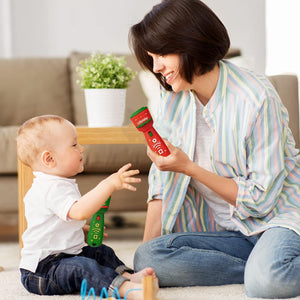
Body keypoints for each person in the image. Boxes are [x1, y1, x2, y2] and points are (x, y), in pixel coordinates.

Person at [129, 0, 300, 298]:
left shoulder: (256, 97)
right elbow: (161, 183)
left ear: (190, 43)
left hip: (279, 218)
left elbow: (261, 199)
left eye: (162, 55)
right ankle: (260, 263)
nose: (156, 68)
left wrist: (188, 167)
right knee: (148, 257)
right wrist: (140, 268)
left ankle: (265, 266)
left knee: (267, 283)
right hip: (232, 233)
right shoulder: (172, 96)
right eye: (151, 58)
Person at [16, 115, 158, 300]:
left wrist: (76, 230)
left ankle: (128, 276)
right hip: (43, 271)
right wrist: (108, 184)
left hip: (62, 257)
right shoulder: (50, 187)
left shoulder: (56, 183)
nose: (81, 148)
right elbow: (80, 211)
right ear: (49, 158)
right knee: (82, 266)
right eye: (74, 145)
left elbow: (56, 222)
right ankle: (125, 290)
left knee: (100, 252)